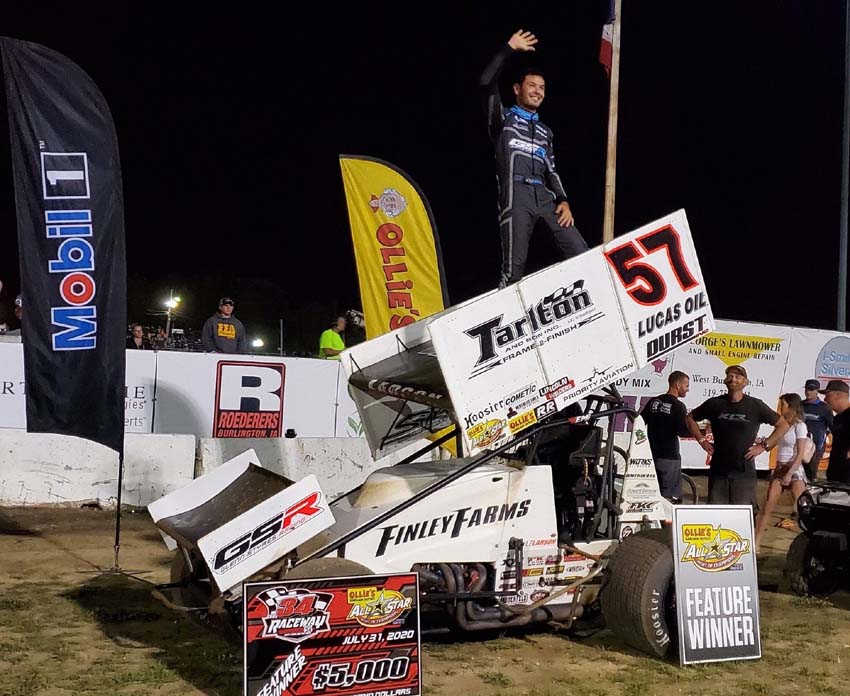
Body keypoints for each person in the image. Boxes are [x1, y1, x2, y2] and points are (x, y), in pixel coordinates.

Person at [480, 29, 588, 288]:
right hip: (516, 197)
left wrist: (563, 200)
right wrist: (509, 48)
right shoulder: (503, 120)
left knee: (582, 254)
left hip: (545, 197)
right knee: (513, 271)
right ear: (517, 88)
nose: (538, 91)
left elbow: (552, 170)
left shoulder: (545, 132)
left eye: (542, 88)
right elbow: (486, 83)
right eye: (532, 86)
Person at [685, 364, 789, 511]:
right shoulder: (715, 403)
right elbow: (689, 418)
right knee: (716, 513)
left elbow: (783, 425)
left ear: (745, 382)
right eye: (730, 376)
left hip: (744, 471)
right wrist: (702, 440)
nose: (733, 379)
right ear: (725, 381)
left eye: (738, 376)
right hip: (719, 469)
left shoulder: (755, 405)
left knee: (743, 513)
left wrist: (764, 446)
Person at [753, 393, 811, 552]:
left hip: (794, 470)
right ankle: (756, 543)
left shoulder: (800, 426)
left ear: (791, 407)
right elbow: (771, 445)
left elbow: (800, 453)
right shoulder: (782, 424)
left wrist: (789, 473)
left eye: (783, 405)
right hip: (780, 468)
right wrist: (761, 442)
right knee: (767, 507)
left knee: (803, 508)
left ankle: (811, 542)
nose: (780, 408)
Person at [640, 370, 691, 502]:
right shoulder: (678, 406)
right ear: (678, 385)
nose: (688, 389)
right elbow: (683, 432)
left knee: (653, 493)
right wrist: (699, 430)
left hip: (651, 454)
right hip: (669, 456)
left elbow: (639, 422)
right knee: (669, 497)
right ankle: (667, 514)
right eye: (686, 386)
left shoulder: (654, 401)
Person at [802, 378, 832, 480]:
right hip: (800, 444)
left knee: (811, 473)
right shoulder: (800, 405)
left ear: (817, 391)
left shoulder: (824, 408)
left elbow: (831, 426)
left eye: (811, 389)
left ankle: (812, 487)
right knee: (799, 472)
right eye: (807, 389)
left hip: (816, 446)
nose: (808, 392)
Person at [821, 380, 850, 483]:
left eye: (828, 395)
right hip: (835, 473)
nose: (825, 399)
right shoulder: (837, 418)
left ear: (838, 395)